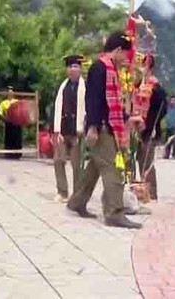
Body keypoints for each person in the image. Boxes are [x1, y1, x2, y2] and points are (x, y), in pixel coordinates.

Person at [66, 30, 144, 229]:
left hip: (106, 125)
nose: (126, 59)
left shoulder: (110, 70)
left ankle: (77, 202)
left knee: (94, 168)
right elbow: (93, 99)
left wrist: (129, 118)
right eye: (125, 54)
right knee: (113, 170)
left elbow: (113, 103)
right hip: (100, 127)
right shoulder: (100, 68)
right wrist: (92, 126)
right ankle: (114, 213)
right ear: (117, 50)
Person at [51, 55, 86, 203]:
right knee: (58, 160)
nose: (73, 69)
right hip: (63, 128)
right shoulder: (62, 87)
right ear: (67, 70)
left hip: (77, 130)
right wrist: (55, 129)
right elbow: (55, 109)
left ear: (80, 69)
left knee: (77, 164)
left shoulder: (85, 87)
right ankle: (62, 191)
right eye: (70, 66)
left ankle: (78, 193)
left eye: (76, 66)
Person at [132, 54, 167, 201]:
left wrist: (150, 124)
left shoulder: (156, 88)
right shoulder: (137, 84)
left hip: (149, 128)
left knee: (147, 161)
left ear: (149, 67)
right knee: (136, 160)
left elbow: (161, 110)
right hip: (134, 127)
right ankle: (138, 190)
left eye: (143, 65)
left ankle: (151, 193)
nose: (140, 68)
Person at [0, 87, 22, 159]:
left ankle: (17, 154)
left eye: (11, 93)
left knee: (17, 137)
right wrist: (4, 119)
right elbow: (0, 112)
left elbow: (21, 111)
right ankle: (8, 154)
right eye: (9, 93)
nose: (10, 94)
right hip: (8, 122)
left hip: (17, 122)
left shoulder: (17, 101)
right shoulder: (3, 103)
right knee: (8, 138)